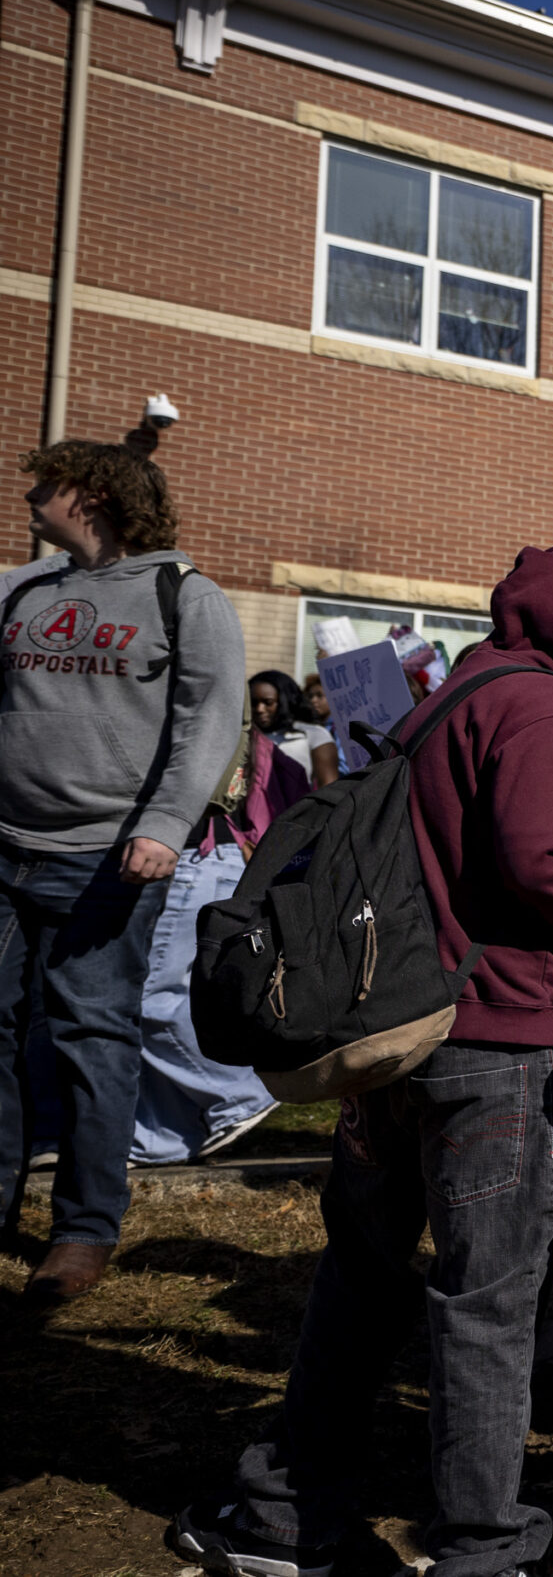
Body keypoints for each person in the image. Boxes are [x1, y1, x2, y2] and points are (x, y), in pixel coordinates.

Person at [172, 545, 553, 1577]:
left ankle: (284, 1511)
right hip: (499, 1044)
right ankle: (481, 1548)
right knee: (488, 1304)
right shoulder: (549, 707)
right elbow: (546, 860)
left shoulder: (453, 694)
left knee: (360, 1277)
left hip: (399, 1037)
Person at [2, 439, 245, 1305]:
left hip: (107, 858)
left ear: (94, 495)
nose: (29, 493)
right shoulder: (21, 589)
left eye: (46, 482)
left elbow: (211, 720)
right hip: (5, 846)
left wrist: (166, 826)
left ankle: (83, 1227)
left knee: (90, 1034)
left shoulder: (184, 595)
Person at [130, 717, 309, 1166]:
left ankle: (244, 1093)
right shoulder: (235, 728)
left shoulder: (209, 720)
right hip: (204, 860)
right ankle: (166, 1138)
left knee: (153, 999)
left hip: (197, 858)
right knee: (171, 1001)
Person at [250, 667, 338, 787]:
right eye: (254, 703)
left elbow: (329, 788)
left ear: (285, 700)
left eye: (268, 702)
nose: (260, 709)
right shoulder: (244, 736)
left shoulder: (314, 734)